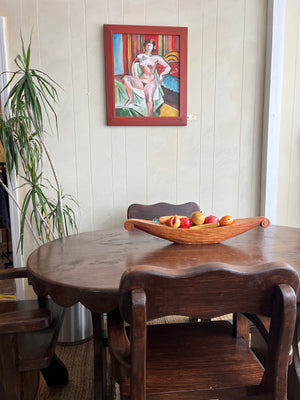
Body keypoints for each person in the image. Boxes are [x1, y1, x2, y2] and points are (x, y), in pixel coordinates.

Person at [119, 39, 171, 117]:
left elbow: (168, 67)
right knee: (125, 79)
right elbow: (133, 64)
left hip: (150, 82)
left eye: (150, 45)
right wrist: (133, 74)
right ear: (144, 46)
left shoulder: (156, 58)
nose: (149, 47)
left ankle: (148, 118)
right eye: (147, 45)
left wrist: (161, 75)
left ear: (153, 47)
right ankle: (131, 98)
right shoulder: (140, 56)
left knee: (149, 100)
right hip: (140, 80)